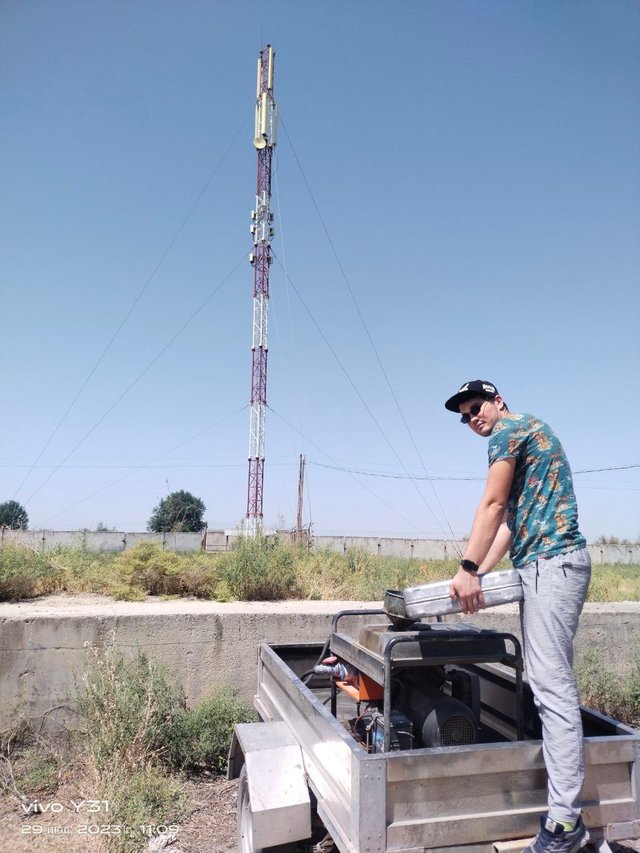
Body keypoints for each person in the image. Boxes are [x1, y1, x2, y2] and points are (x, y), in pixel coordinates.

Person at [444, 379, 591, 853]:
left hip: (552, 564)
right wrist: (481, 576)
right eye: (465, 415)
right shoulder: (530, 431)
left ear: (498, 400)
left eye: (476, 407)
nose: (472, 418)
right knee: (551, 685)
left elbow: (492, 504)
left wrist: (466, 568)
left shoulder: (508, 431)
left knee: (552, 689)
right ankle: (567, 814)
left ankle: (566, 824)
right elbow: (510, 523)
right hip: (544, 564)